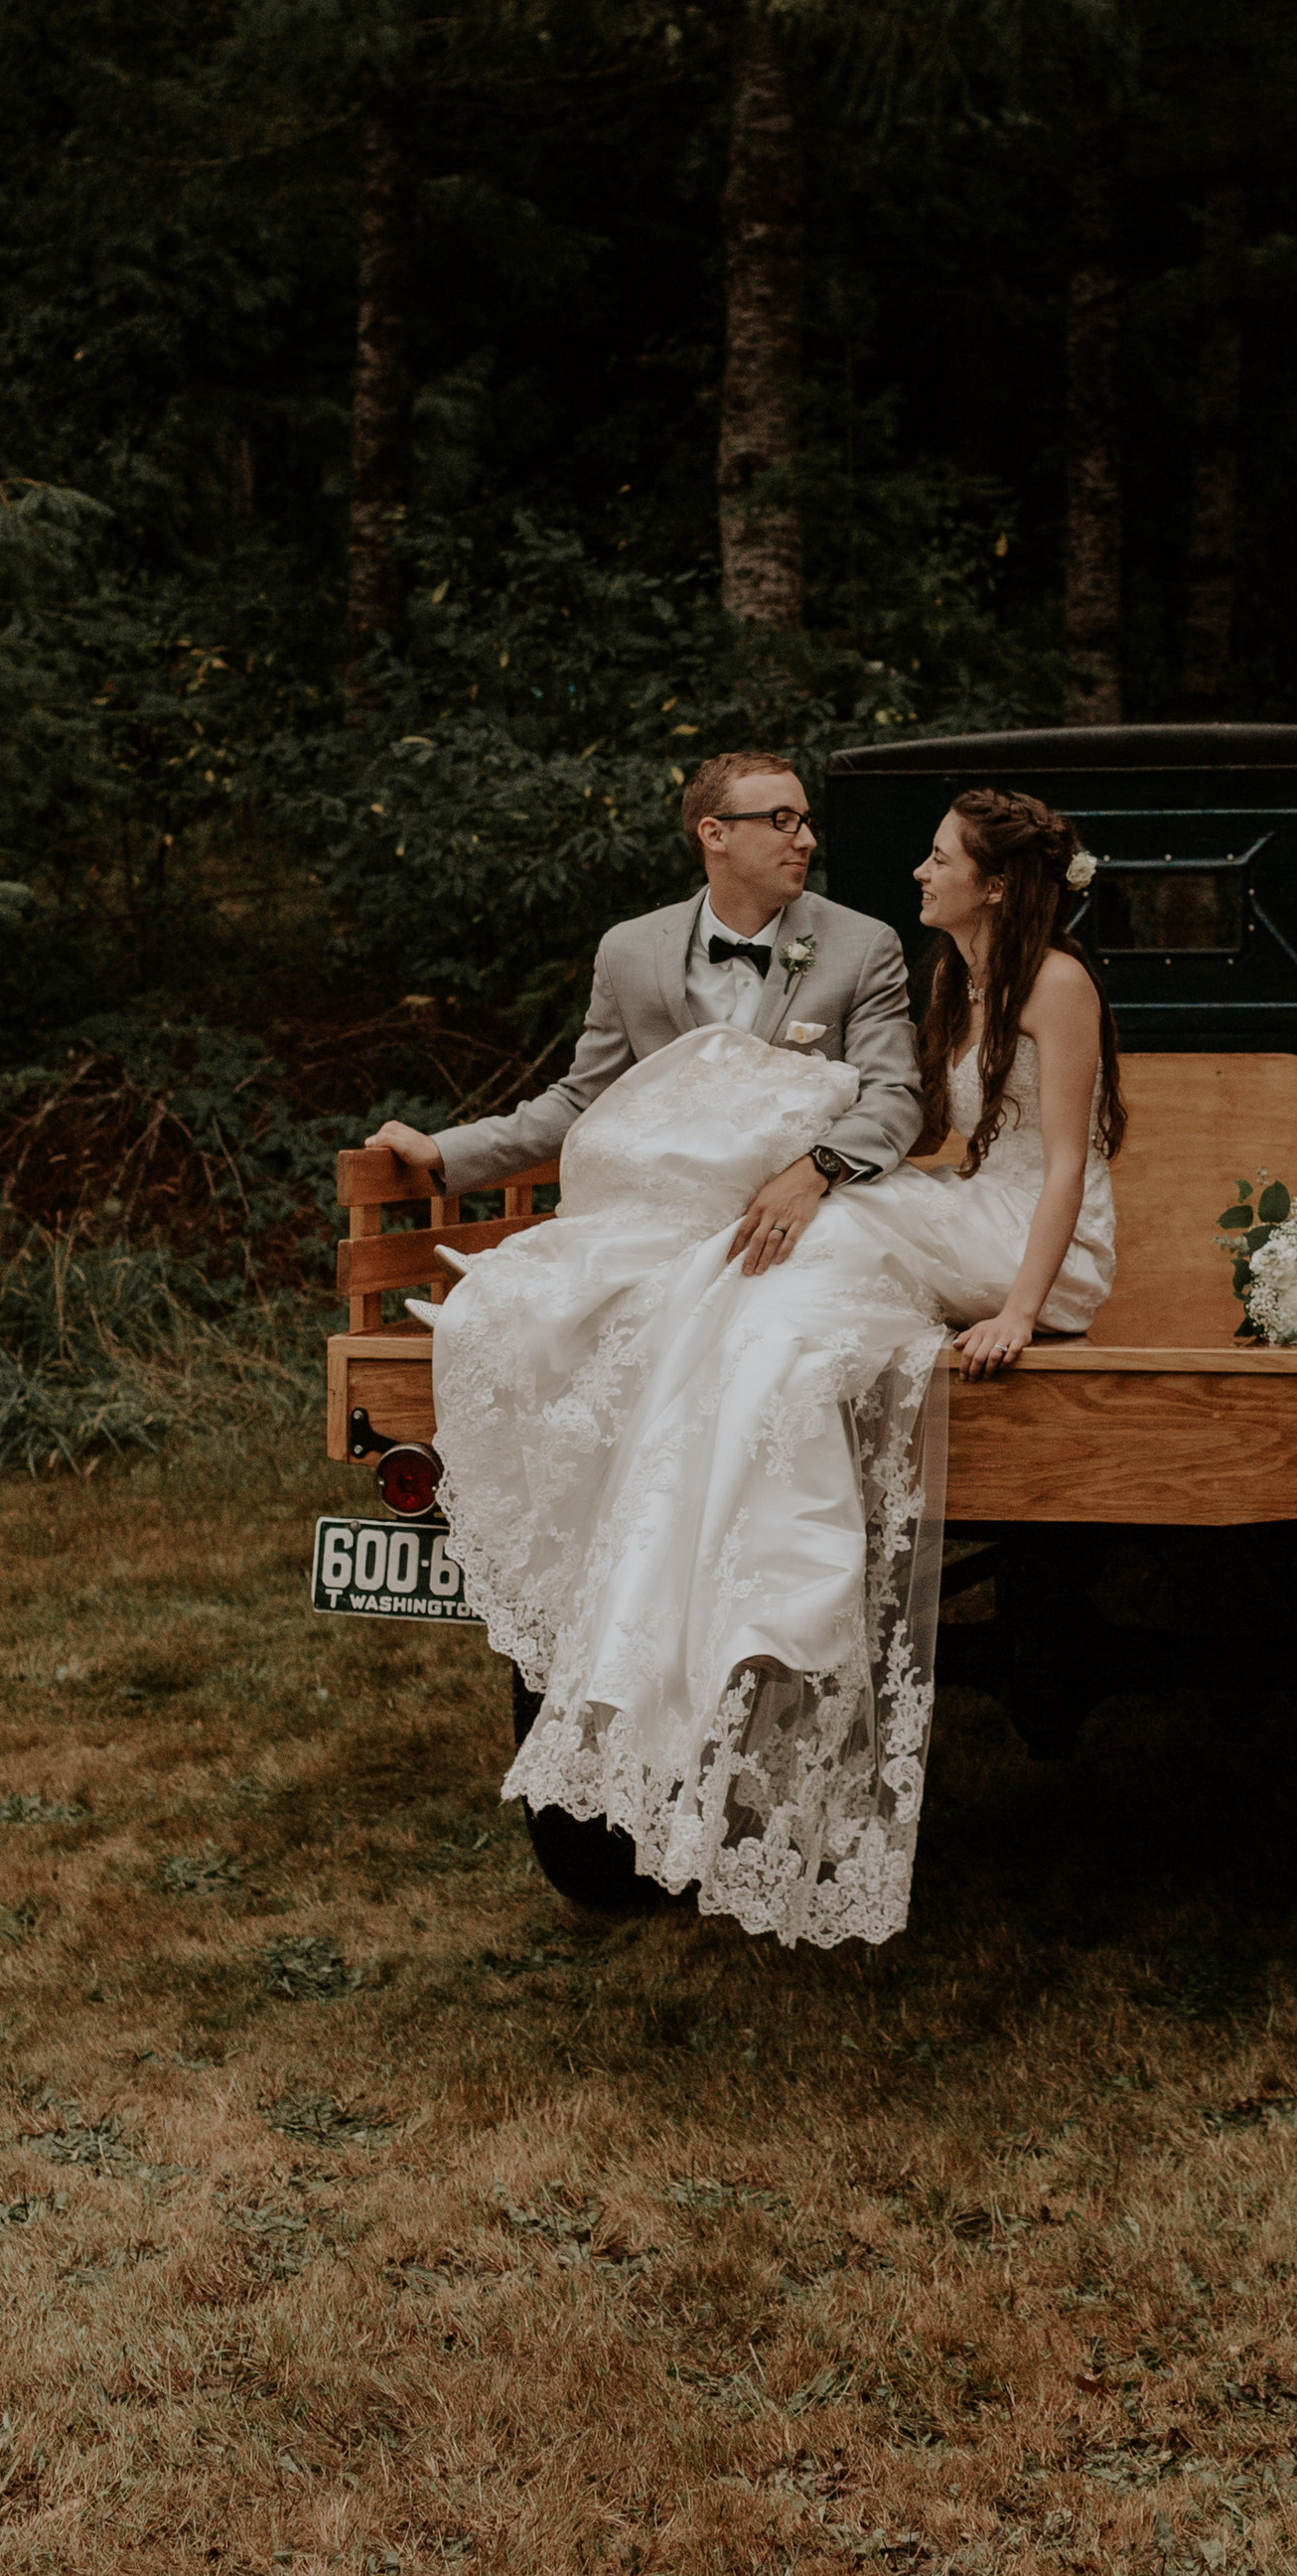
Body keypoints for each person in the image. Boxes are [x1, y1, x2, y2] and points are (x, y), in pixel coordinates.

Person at [415, 784, 1127, 1950]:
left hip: (1029, 1242)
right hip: (956, 1207)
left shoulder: (1054, 980)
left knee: (805, 1238)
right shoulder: (954, 977)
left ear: (994, 883)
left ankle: (791, 1562)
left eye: (939, 856)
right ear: (714, 830)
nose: (914, 870)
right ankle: (726, 1531)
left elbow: (1058, 1168)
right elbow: (904, 1116)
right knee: (772, 1264)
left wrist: (1021, 1308)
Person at [362, 749, 923, 1259]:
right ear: (714, 834)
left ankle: (520, 1293)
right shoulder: (628, 951)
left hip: (805, 1212)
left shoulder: (862, 944)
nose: (805, 840)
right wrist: (441, 1147)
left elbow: (893, 1095)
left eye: (805, 822)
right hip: (671, 1215)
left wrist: (813, 1172)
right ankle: (511, 1300)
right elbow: (583, 1098)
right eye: (781, 820)